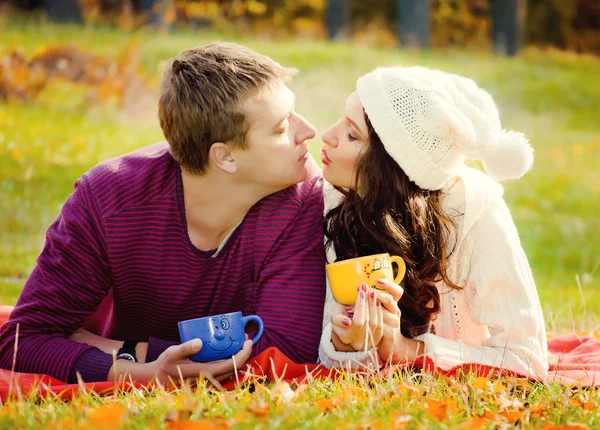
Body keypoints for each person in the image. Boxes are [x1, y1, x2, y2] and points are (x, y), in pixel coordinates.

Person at [0, 42, 327, 384]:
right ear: (225, 157)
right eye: (280, 128)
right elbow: (24, 341)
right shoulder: (109, 198)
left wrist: (132, 351)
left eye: (294, 113)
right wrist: (141, 373)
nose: (307, 131)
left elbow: (288, 348)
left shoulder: (302, 198)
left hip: (117, 346)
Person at [318, 66, 548, 378]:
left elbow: (526, 360)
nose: (327, 136)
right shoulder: (337, 202)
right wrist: (350, 345)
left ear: (390, 168)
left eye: (351, 134)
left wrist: (406, 350)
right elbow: (334, 365)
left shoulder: (478, 213)